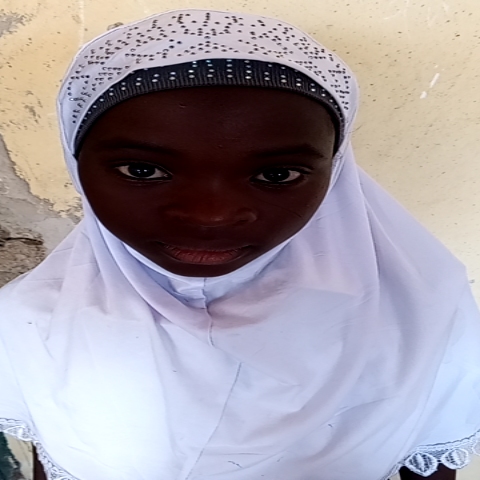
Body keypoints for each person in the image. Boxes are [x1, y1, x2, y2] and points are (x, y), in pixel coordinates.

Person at [0, 8, 479, 480]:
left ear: (335, 172)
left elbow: (434, 461)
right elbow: (52, 461)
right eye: (142, 170)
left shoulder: (419, 313)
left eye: (277, 175)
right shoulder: (34, 320)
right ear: (76, 163)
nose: (211, 216)